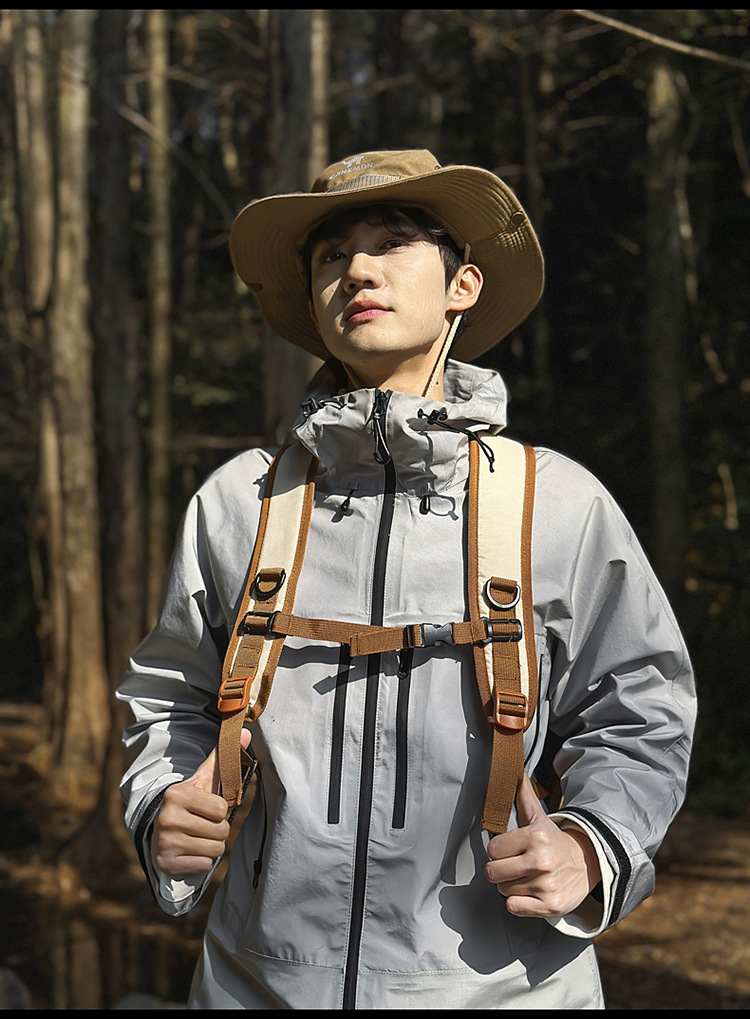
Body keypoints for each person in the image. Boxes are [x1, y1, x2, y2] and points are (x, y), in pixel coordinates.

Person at [118, 149, 696, 1009]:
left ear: (463, 284)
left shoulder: (558, 504)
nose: (357, 269)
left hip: (506, 994)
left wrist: (590, 841)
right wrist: (162, 803)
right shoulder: (241, 504)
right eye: (331, 255)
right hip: (255, 984)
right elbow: (170, 699)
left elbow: (642, 710)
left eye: (392, 242)